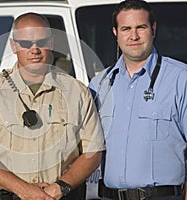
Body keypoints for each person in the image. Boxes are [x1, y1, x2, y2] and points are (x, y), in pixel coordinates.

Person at [0, 12, 105, 200]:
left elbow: (93, 152)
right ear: (14, 45)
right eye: (26, 44)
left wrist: (59, 188)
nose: (34, 49)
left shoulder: (77, 92)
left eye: (41, 42)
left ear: (51, 42)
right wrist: (23, 190)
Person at [89, 0, 187, 199]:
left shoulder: (180, 78)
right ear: (116, 33)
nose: (133, 36)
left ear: (153, 28)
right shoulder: (99, 84)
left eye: (140, 27)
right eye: (126, 29)